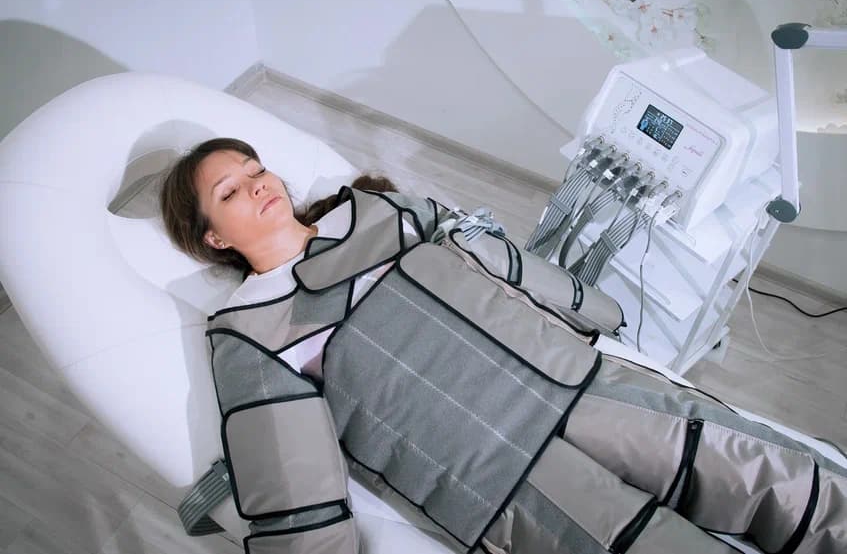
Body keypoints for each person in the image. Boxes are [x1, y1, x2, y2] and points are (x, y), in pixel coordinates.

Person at [160, 138, 846, 554]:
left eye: (254, 167)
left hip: (583, 385)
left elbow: (501, 262)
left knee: (786, 478)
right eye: (230, 190)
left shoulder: (381, 212)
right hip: (503, 477)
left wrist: (595, 310)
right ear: (213, 236)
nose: (257, 183)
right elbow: (294, 487)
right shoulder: (252, 333)